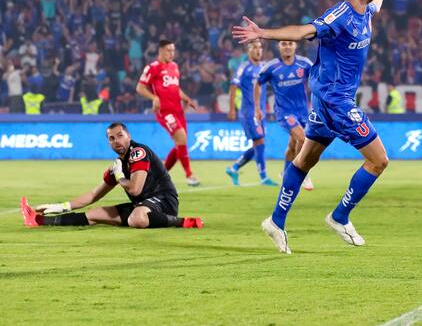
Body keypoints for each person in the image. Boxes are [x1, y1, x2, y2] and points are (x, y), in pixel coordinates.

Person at [232, 0, 392, 254]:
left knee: (304, 161)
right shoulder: (338, 17)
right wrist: (263, 33)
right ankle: (339, 217)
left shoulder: (365, 10)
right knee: (379, 161)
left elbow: (376, 6)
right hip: (337, 102)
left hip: (325, 101)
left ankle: (276, 222)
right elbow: (304, 30)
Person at [20, 122, 202, 229]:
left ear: (128, 136)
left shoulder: (138, 152)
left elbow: (136, 189)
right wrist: (60, 206)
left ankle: (183, 222)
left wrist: (120, 177)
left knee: (137, 218)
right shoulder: (118, 166)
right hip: (142, 205)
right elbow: (93, 195)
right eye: (112, 138)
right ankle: (38, 220)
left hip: (164, 202)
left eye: (120, 135)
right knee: (94, 214)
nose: (117, 141)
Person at [136, 40, 201, 186]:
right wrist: (154, 98)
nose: (171, 54)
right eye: (168, 50)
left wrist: (186, 98)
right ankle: (190, 176)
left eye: (173, 51)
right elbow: (140, 88)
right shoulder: (153, 67)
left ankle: (159, 176)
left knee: (180, 143)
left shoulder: (174, 66)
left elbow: (175, 88)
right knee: (182, 138)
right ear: (160, 51)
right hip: (165, 112)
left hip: (178, 110)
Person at [254, 40, 315, 191]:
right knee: (302, 138)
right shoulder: (272, 67)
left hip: (303, 111)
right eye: (283, 44)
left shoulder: (305, 64)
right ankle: (302, 172)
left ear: (295, 46)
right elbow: (257, 83)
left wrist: (316, 103)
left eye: (290, 43)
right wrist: (257, 108)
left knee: (292, 146)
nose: (287, 46)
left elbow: (316, 80)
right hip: (284, 112)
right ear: (279, 47)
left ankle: (285, 173)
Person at [224, 39, 279, 186]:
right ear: (249, 50)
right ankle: (263, 177)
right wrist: (231, 109)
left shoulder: (263, 67)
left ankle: (234, 168)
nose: (258, 50)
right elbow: (233, 87)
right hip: (248, 112)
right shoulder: (244, 67)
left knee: (259, 145)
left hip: (261, 112)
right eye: (255, 47)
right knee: (260, 142)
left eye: (260, 47)